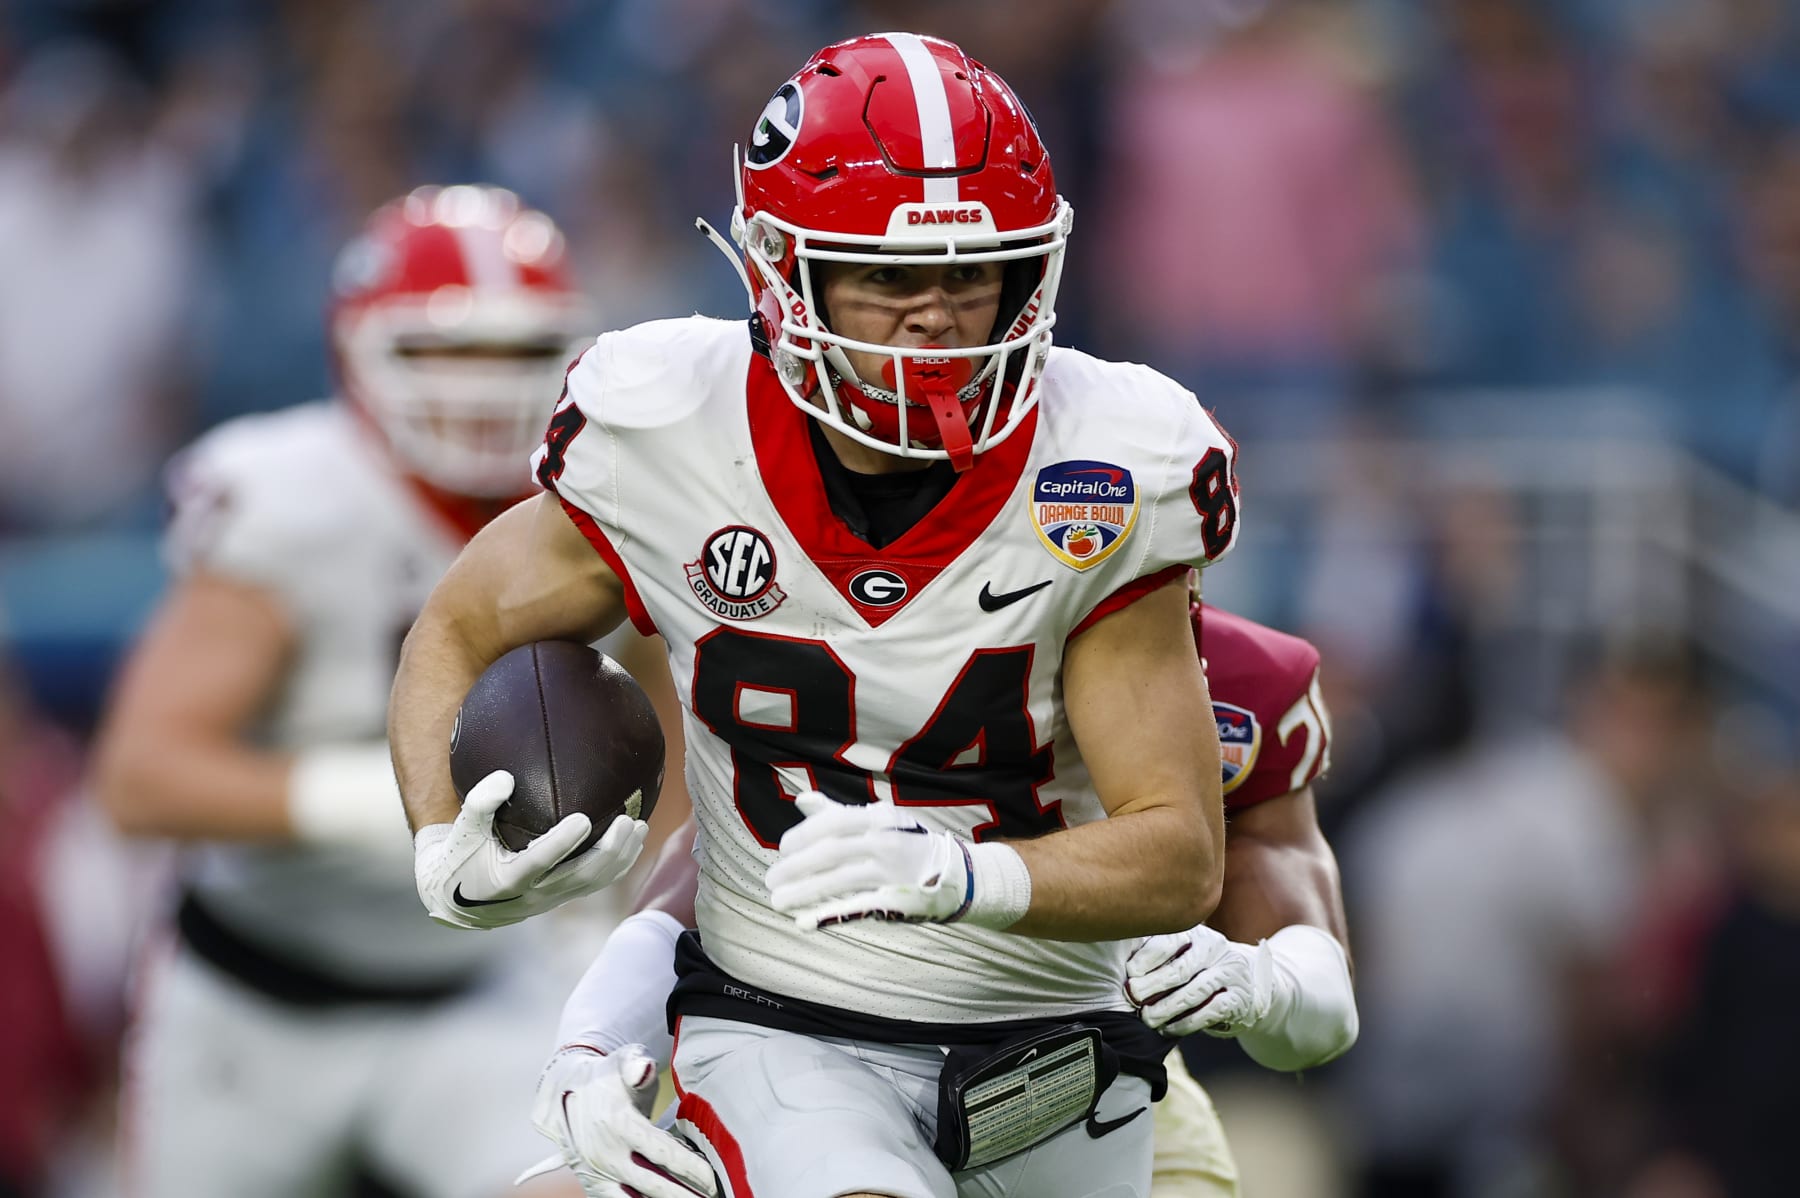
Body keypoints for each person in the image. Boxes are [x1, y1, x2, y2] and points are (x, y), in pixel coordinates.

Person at [394, 33, 1239, 1197]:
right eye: (889, 278)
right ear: (784, 272)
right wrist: (440, 831)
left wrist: (963, 874)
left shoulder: (1100, 466)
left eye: (971, 273)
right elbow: (457, 627)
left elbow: (1181, 850)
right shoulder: (670, 430)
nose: (935, 318)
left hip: (1052, 1061)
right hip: (787, 1025)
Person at [91, 184, 608, 1198]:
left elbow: (647, 721)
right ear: (362, 352)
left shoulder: (593, 495)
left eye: (516, 351)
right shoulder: (296, 501)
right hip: (258, 998)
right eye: (443, 350)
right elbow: (139, 779)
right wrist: (391, 802)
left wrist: (621, 925)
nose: (483, 386)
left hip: (479, 991)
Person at [522, 601, 1358, 1198]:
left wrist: (1264, 983)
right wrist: (592, 1043)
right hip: (836, 1057)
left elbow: (1318, 1020)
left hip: (1090, 1094)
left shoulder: (1242, 691)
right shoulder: (891, 637)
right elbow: (710, 867)